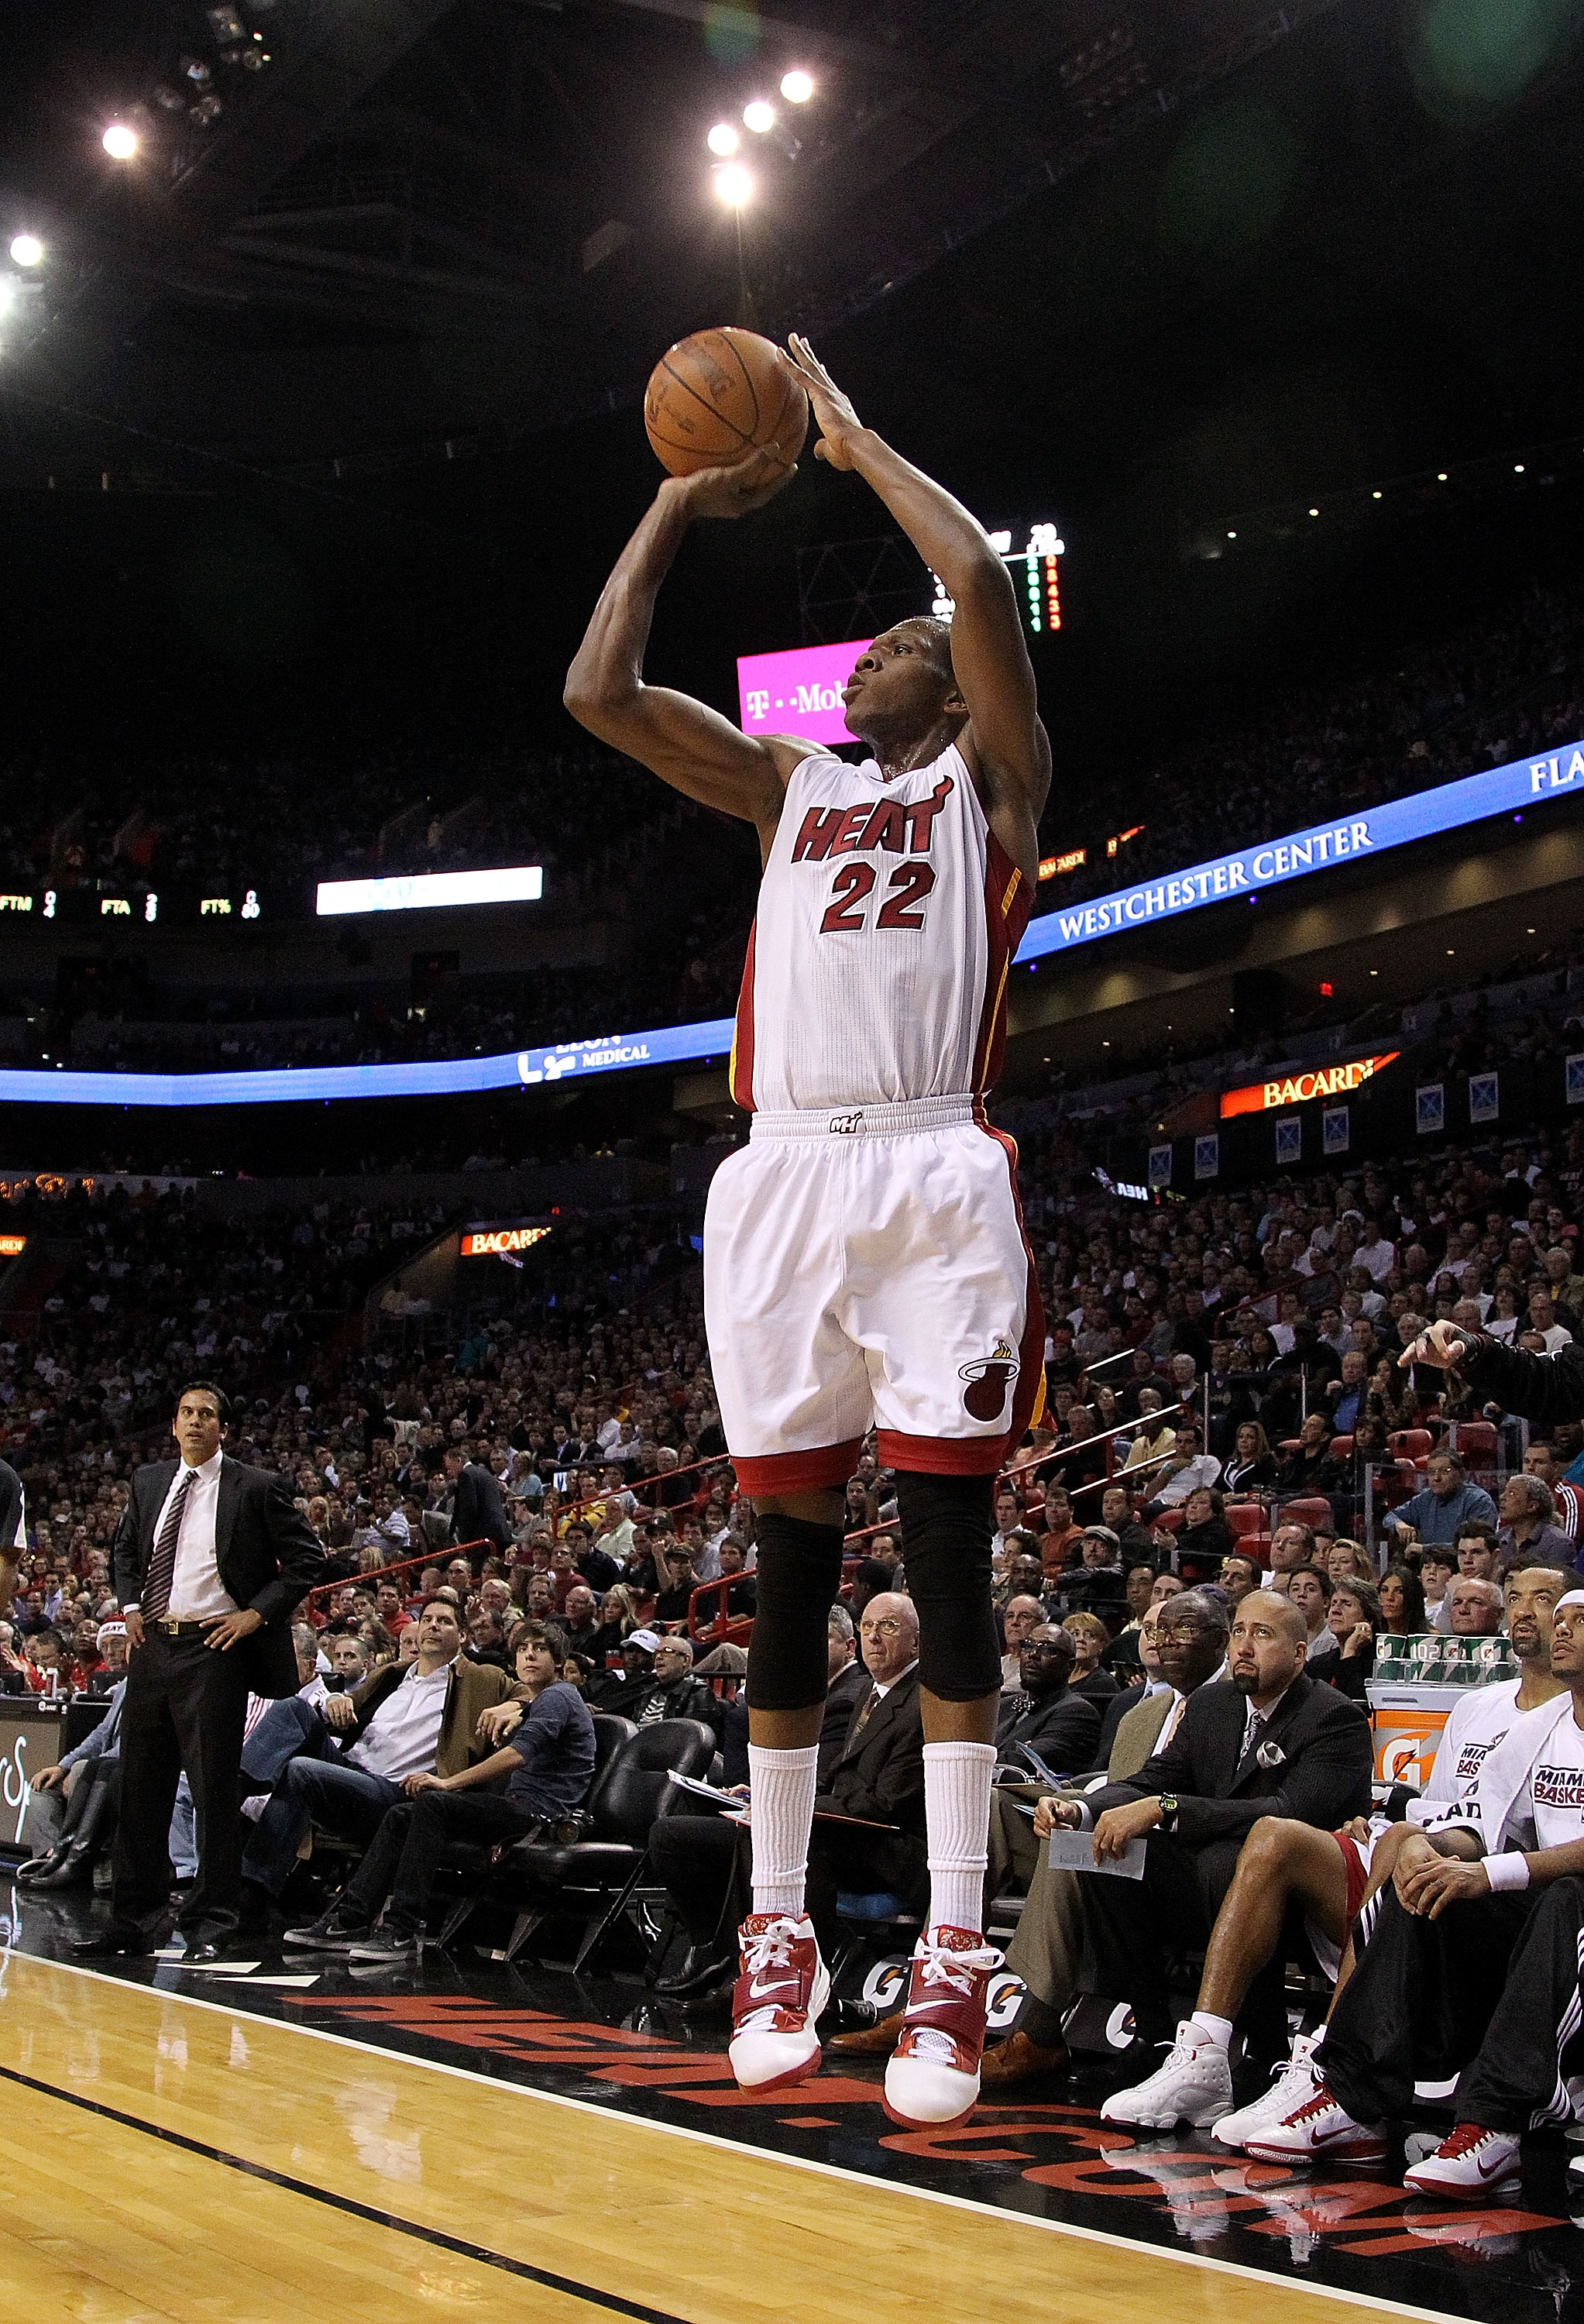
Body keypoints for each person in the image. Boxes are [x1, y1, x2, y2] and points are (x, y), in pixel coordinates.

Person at [565, 332, 1052, 2126]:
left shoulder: (988, 792)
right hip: (778, 1171)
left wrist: (848, 439)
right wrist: (681, 493)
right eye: (871, 646)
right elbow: (600, 686)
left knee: (940, 1556)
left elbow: (983, 576)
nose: (886, 650)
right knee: (781, 1570)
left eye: (906, 646)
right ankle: (777, 1930)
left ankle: (948, 1942)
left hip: (932, 1166)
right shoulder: (787, 792)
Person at [1246, 1585, 1584, 2192]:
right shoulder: (1539, 1728)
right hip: (1545, 1907)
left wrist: (1487, 1872)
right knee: (1422, 1885)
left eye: (1578, 1620)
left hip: (1573, 1910)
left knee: (1566, 1901)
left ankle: (1495, 2123)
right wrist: (1433, 1849)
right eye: (1558, 1621)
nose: (1560, 1631)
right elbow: (1479, 1825)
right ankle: (1353, 2098)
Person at [1046, 1591, 1373, 2058]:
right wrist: (1080, 1809)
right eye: (1238, 1631)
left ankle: (1266, 2046)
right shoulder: (1211, 1703)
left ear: (1301, 1654)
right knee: (1106, 1851)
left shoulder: (1335, 1717)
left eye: (1262, 1634)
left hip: (1295, 1891)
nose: (1243, 1646)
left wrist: (1169, 1809)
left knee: (1227, 1862)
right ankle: (1153, 2030)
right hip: (1206, 1872)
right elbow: (1157, 1777)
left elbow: (1288, 1810)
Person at [77, 1381, 325, 1961]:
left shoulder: (256, 1486)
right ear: (173, 1424)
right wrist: (132, 1605)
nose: (194, 1422)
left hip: (215, 1648)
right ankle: (134, 1922)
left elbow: (308, 1560)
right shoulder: (148, 1481)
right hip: (153, 1645)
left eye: (206, 1415)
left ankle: (211, 1923)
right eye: (186, 1413)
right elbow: (125, 1553)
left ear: (223, 1429)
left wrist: (253, 1616)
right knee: (139, 1785)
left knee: (212, 1788)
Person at [951, 1592, 1232, 2091]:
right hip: (1122, 1841)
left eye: (1181, 1631)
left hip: (1187, 1851)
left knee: (1075, 1850)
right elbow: (1120, 1782)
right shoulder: (1139, 1711)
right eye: (1156, 1632)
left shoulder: (1234, 1701)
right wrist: (1074, 1803)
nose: (1164, 1643)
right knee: (1006, 1813)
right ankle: (945, 1989)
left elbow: (1186, 1794)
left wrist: (1099, 1814)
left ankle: (1036, 2032)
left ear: (1222, 1641)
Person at [294, 1620, 596, 1965]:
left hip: (541, 1814)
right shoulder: (542, 1700)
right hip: (515, 1806)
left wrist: (449, 1782)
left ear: (559, 1661)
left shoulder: (560, 1695)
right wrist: (514, 1708)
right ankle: (350, 1919)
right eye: (523, 1650)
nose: (529, 1656)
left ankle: (402, 1929)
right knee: (400, 1815)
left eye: (540, 1649)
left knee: (433, 1804)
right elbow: (529, 1713)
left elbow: (519, 1754)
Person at [243, 1597, 530, 1910]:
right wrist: (336, 1698)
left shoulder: (482, 1677)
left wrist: (511, 1705)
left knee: (300, 1770)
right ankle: (239, 1782)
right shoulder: (393, 1674)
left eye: (445, 1621)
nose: (434, 1625)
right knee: (293, 1707)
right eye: (428, 1620)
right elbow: (343, 1705)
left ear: (462, 1636)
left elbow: (534, 1692)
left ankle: (253, 1892)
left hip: (394, 1793)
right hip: (349, 1771)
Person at [441, 1446, 513, 1566]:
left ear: (459, 1460)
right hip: (500, 1533)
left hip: (482, 1537)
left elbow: (469, 1510)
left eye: (450, 1467)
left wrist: (463, 1542)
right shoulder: (483, 1473)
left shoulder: (466, 1475)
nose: (449, 1472)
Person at [1496, 1473, 1575, 1569]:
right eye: (1505, 1491)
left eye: (1512, 1493)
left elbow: (1555, 1583)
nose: (1502, 1497)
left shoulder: (1558, 1543)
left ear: (1532, 1506)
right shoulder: (1500, 1537)